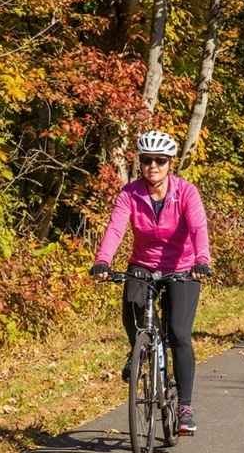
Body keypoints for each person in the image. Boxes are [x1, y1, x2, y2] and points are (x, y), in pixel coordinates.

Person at [90, 131, 212, 436]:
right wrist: (103, 260)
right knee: (132, 307)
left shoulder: (186, 193)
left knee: (179, 334)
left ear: (170, 163)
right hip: (142, 265)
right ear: (140, 162)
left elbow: (198, 228)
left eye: (159, 160)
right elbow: (116, 229)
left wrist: (202, 260)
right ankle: (139, 348)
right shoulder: (130, 194)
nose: (153, 166)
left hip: (183, 267)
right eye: (146, 160)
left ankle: (184, 407)